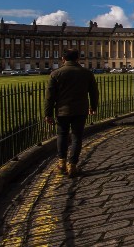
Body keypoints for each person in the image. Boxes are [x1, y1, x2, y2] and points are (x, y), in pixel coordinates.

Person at [44, 49, 98, 177]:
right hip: (80, 110)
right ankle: (72, 166)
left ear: (63, 59)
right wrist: (93, 106)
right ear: (78, 58)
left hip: (62, 111)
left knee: (62, 135)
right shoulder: (86, 73)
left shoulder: (55, 74)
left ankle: (62, 162)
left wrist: (48, 114)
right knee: (76, 137)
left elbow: (49, 97)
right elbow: (94, 92)